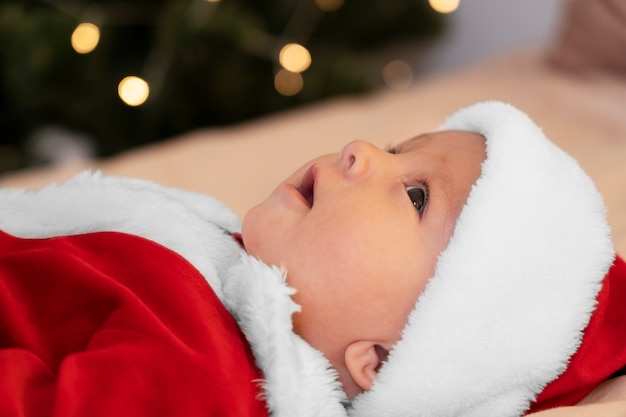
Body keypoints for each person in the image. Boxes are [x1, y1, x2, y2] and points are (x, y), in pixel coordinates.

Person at [0, 101, 625, 417]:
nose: (359, 151)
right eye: (392, 147)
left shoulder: (212, 375)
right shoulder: (219, 266)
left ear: (379, 362)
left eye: (415, 195)